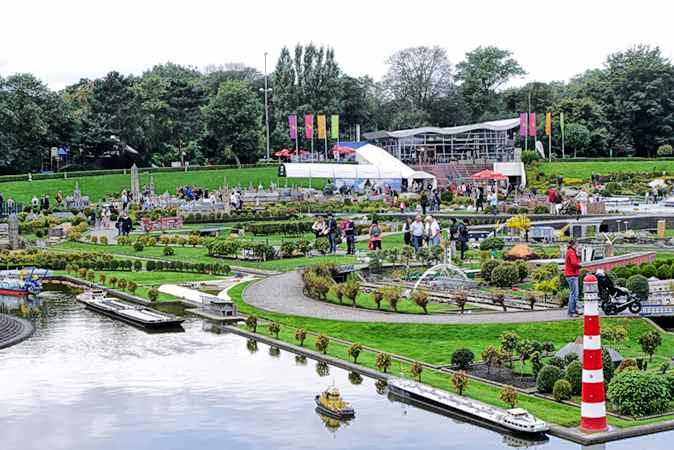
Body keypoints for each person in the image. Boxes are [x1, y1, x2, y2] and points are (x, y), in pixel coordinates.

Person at [564, 239, 582, 317]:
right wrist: (581, 265)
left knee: (574, 293)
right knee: (574, 294)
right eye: (577, 243)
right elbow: (574, 263)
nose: (578, 245)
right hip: (572, 275)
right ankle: (572, 312)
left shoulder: (571, 251)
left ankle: (573, 310)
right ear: (574, 244)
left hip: (572, 275)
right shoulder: (571, 252)